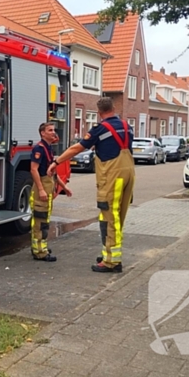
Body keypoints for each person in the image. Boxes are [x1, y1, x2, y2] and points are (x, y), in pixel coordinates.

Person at [48, 97, 135, 273]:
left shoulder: (100, 129)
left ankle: (112, 262)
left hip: (112, 176)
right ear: (113, 108)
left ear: (99, 112)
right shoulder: (127, 126)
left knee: (111, 217)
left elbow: (76, 149)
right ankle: (108, 253)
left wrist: (57, 162)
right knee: (114, 215)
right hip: (128, 174)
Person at [30, 122, 72, 262]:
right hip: (42, 187)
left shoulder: (48, 148)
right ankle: (40, 252)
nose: (53, 132)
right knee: (41, 221)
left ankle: (40, 247)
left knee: (44, 219)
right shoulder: (39, 149)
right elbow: (34, 169)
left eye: (54, 130)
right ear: (42, 133)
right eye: (50, 130)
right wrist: (41, 189)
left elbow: (53, 172)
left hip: (48, 186)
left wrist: (63, 187)